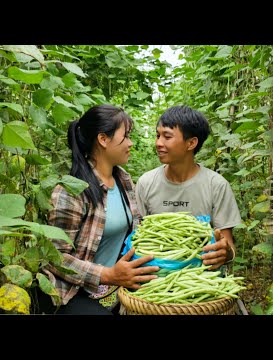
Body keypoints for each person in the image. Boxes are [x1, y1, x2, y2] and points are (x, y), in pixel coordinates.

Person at [38, 104, 160, 315]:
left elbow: (136, 233)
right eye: (126, 136)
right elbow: (55, 257)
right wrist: (108, 274)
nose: (131, 143)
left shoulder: (123, 181)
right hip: (74, 294)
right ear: (103, 139)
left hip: (113, 290)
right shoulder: (71, 191)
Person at [135, 105, 242, 270]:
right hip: (156, 275)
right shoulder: (146, 183)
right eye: (157, 135)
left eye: (167, 137)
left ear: (191, 143)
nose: (158, 143)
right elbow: (139, 238)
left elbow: (227, 244)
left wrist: (225, 253)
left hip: (201, 276)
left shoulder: (216, 185)